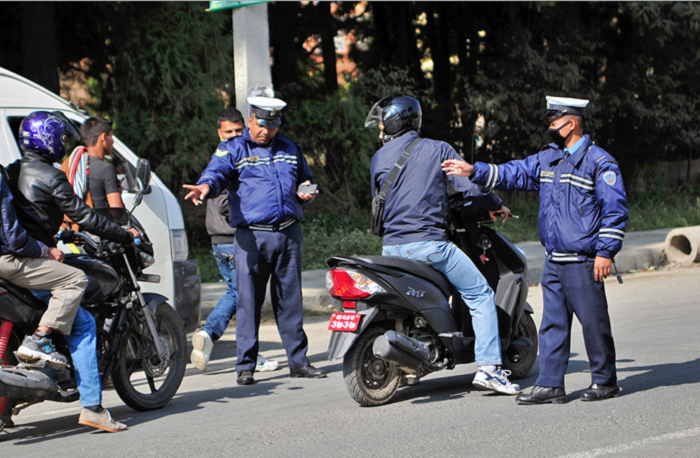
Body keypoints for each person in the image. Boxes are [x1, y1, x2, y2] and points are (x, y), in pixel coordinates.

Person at [442, 96, 628, 404]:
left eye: (556, 122)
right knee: (552, 325)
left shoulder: (599, 162)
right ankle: (551, 384)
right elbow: (514, 173)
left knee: (594, 324)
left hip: (583, 260)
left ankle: (605, 381)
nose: (552, 128)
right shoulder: (549, 159)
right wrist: (473, 170)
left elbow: (615, 211)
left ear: (573, 123)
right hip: (554, 259)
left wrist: (606, 253)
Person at [366, 94, 520, 395]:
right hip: (430, 246)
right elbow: (470, 186)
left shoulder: (379, 157)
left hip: (391, 249)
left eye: (383, 123)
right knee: (479, 294)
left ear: (393, 123)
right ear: (415, 119)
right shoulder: (438, 149)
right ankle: (489, 369)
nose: (381, 129)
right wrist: (496, 204)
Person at [3, 111, 136, 432]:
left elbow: (29, 215)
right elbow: (85, 216)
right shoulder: (51, 176)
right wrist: (123, 232)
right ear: (48, 141)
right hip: (27, 259)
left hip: (22, 254)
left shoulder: (12, 170)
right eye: (62, 139)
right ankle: (92, 406)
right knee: (84, 322)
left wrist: (56, 235)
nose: (64, 144)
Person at [183, 95, 326, 386]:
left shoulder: (289, 148)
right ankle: (245, 366)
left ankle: (298, 362)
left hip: (288, 234)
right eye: (261, 124)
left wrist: (307, 190)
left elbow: (306, 178)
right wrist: (204, 187)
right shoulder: (234, 148)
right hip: (251, 237)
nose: (265, 131)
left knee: (291, 302)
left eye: (272, 126)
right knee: (248, 301)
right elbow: (217, 173)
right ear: (250, 120)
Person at [190, 107, 279, 373]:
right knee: (246, 296)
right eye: (228, 132)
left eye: (238, 131)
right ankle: (238, 349)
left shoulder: (233, 156)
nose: (234, 136)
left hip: (222, 240)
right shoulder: (226, 159)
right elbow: (227, 205)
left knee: (238, 293)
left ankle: (208, 337)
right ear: (219, 133)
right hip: (232, 239)